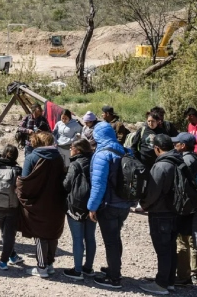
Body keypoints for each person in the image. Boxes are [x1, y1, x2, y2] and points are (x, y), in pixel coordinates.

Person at [87, 121, 133, 289]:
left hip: (109, 205)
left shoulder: (102, 154)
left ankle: (114, 278)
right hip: (124, 204)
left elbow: (98, 185)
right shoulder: (125, 151)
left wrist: (92, 207)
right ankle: (114, 268)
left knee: (111, 241)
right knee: (115, 238)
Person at [17, 130, 66, 278]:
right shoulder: (59, 157)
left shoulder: (32, 157)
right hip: (56, 201)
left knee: (39, 234)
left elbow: (24, 181)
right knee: (52, 233)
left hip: (38, 202)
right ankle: (50, 264)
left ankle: (41, 267)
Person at [139, 134, 181, 295]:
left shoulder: (161, 166)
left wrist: (144, 205)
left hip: (160, 213)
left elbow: (152, 192)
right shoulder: (179, 161)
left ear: (157, 148)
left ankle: (161, 284)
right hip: (175, 211)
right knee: (170, 247)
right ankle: (170, 281)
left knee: (162, 250)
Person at [172, 132, 197, 286]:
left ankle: (183, 277)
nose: (174, 145)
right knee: (194, 242)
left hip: (186, 208)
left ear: (183, 145)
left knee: (182, 241)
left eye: (176, 143)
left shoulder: (184, 161)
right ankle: (194, 273)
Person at [0, 144, 24, 270]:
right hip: (11, 207)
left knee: (4, 232)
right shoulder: (17, 170)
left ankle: (13, 256)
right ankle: (3, 261)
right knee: (9, 235)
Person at [63, 138, 96, 280]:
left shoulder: (75, 164)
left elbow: (66, 185)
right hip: (92, 205)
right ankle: (88, 268)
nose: (70, 149)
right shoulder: (95, 161)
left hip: (76, 206)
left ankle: (77, 270)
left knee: (77, 239)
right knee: (90, 237)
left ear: (77, 150)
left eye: (71, 147)